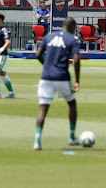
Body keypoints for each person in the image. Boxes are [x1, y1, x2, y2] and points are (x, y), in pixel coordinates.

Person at [33, 17, 81, 151]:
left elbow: (38, 55)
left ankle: (37, 142)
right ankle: (72, 137)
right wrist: (77, 81)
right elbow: (76, 60)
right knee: (72, 104)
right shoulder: (73, 39)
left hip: (46, 77)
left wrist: (47, 66)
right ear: (71, 27)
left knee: (43, 109)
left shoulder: (49, 36)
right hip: (62, 77)